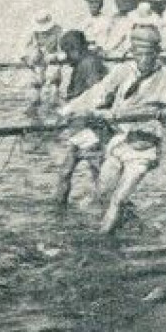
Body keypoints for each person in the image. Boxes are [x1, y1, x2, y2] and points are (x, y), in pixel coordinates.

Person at [56, 23, 166, 234]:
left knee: (118, 199)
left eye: (148, 54)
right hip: (120, 142)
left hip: (144, 149)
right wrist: (67, 111)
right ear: (132, 52)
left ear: (157, 53)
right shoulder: (124, 70)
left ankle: (102, 243)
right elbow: (98, 91)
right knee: (103, 194)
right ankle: (132, 227)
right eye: (138, 53)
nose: (143, 59)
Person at [52, 29, 111, 206]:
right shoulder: (86, 62)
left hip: (88, 127)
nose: (66, 57)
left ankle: (113, 208)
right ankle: (59, 209)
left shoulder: (89, 63)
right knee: (67, 171)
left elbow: (98, 94)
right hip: (80, 126)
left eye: (67, 52)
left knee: (95, 170)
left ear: (74, 49)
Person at [21, 12, 64, 114]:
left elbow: (63, 50)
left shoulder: (58, 30)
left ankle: (54, 107)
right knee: (36, 85)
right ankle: (35, 106)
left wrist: (55, 56)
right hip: (39, 62)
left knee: (54, 84)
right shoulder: (33, 32)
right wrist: (27, 59)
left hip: (53, 61)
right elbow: (23, 48)